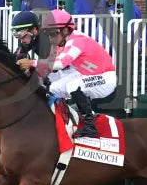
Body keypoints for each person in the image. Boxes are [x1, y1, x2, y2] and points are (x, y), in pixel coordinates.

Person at [17, 9, 115, 138]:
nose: (51, 38)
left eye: (53, 33)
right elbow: (52, 65)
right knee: (52, 87)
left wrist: (32, 63)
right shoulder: (62, 42)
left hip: (105, 78)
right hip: (84, 74)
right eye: (48, 34)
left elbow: (61, 63)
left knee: (73, 86)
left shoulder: (78, 40)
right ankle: (65, 117)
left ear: (65, 30)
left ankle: (90, 126)